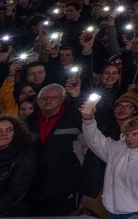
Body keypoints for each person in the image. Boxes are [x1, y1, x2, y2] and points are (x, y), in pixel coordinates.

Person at [79, 100, 138, 219]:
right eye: (127, 134)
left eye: (135, 134)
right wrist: (88, 120)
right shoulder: (116, 148)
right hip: (114, 212)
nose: (130, 138)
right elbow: (94, 140)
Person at [26, 83, 84, 215]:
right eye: (44, 98)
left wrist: (76, 99)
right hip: (33, 187)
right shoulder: (27, 123)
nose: (48, 100)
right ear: (37, 101)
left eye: (53, 97)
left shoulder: (75, 119)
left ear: (62, 99)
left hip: (64, 186)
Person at [0, 114, 38, 219]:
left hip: (9, 215)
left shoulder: (25, 155)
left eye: (9, 130)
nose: (4, 134)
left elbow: (15, 193)